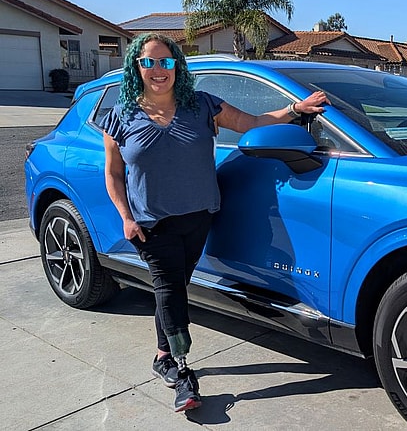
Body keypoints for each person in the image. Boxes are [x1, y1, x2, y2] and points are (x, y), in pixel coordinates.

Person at [100, 32, 328, 412]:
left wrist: (295, 109)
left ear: (176, 66)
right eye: (148, 62)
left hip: (199, 218)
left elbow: (253, 122)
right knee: (169, 289)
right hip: (151, 225)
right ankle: (182, 371)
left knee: (174, 288)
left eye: (165, 61)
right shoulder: (121, 116)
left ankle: (161, 355)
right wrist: (125, 216)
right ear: (136, 67)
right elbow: (113, 173)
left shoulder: (202, 105)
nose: (158, 69)